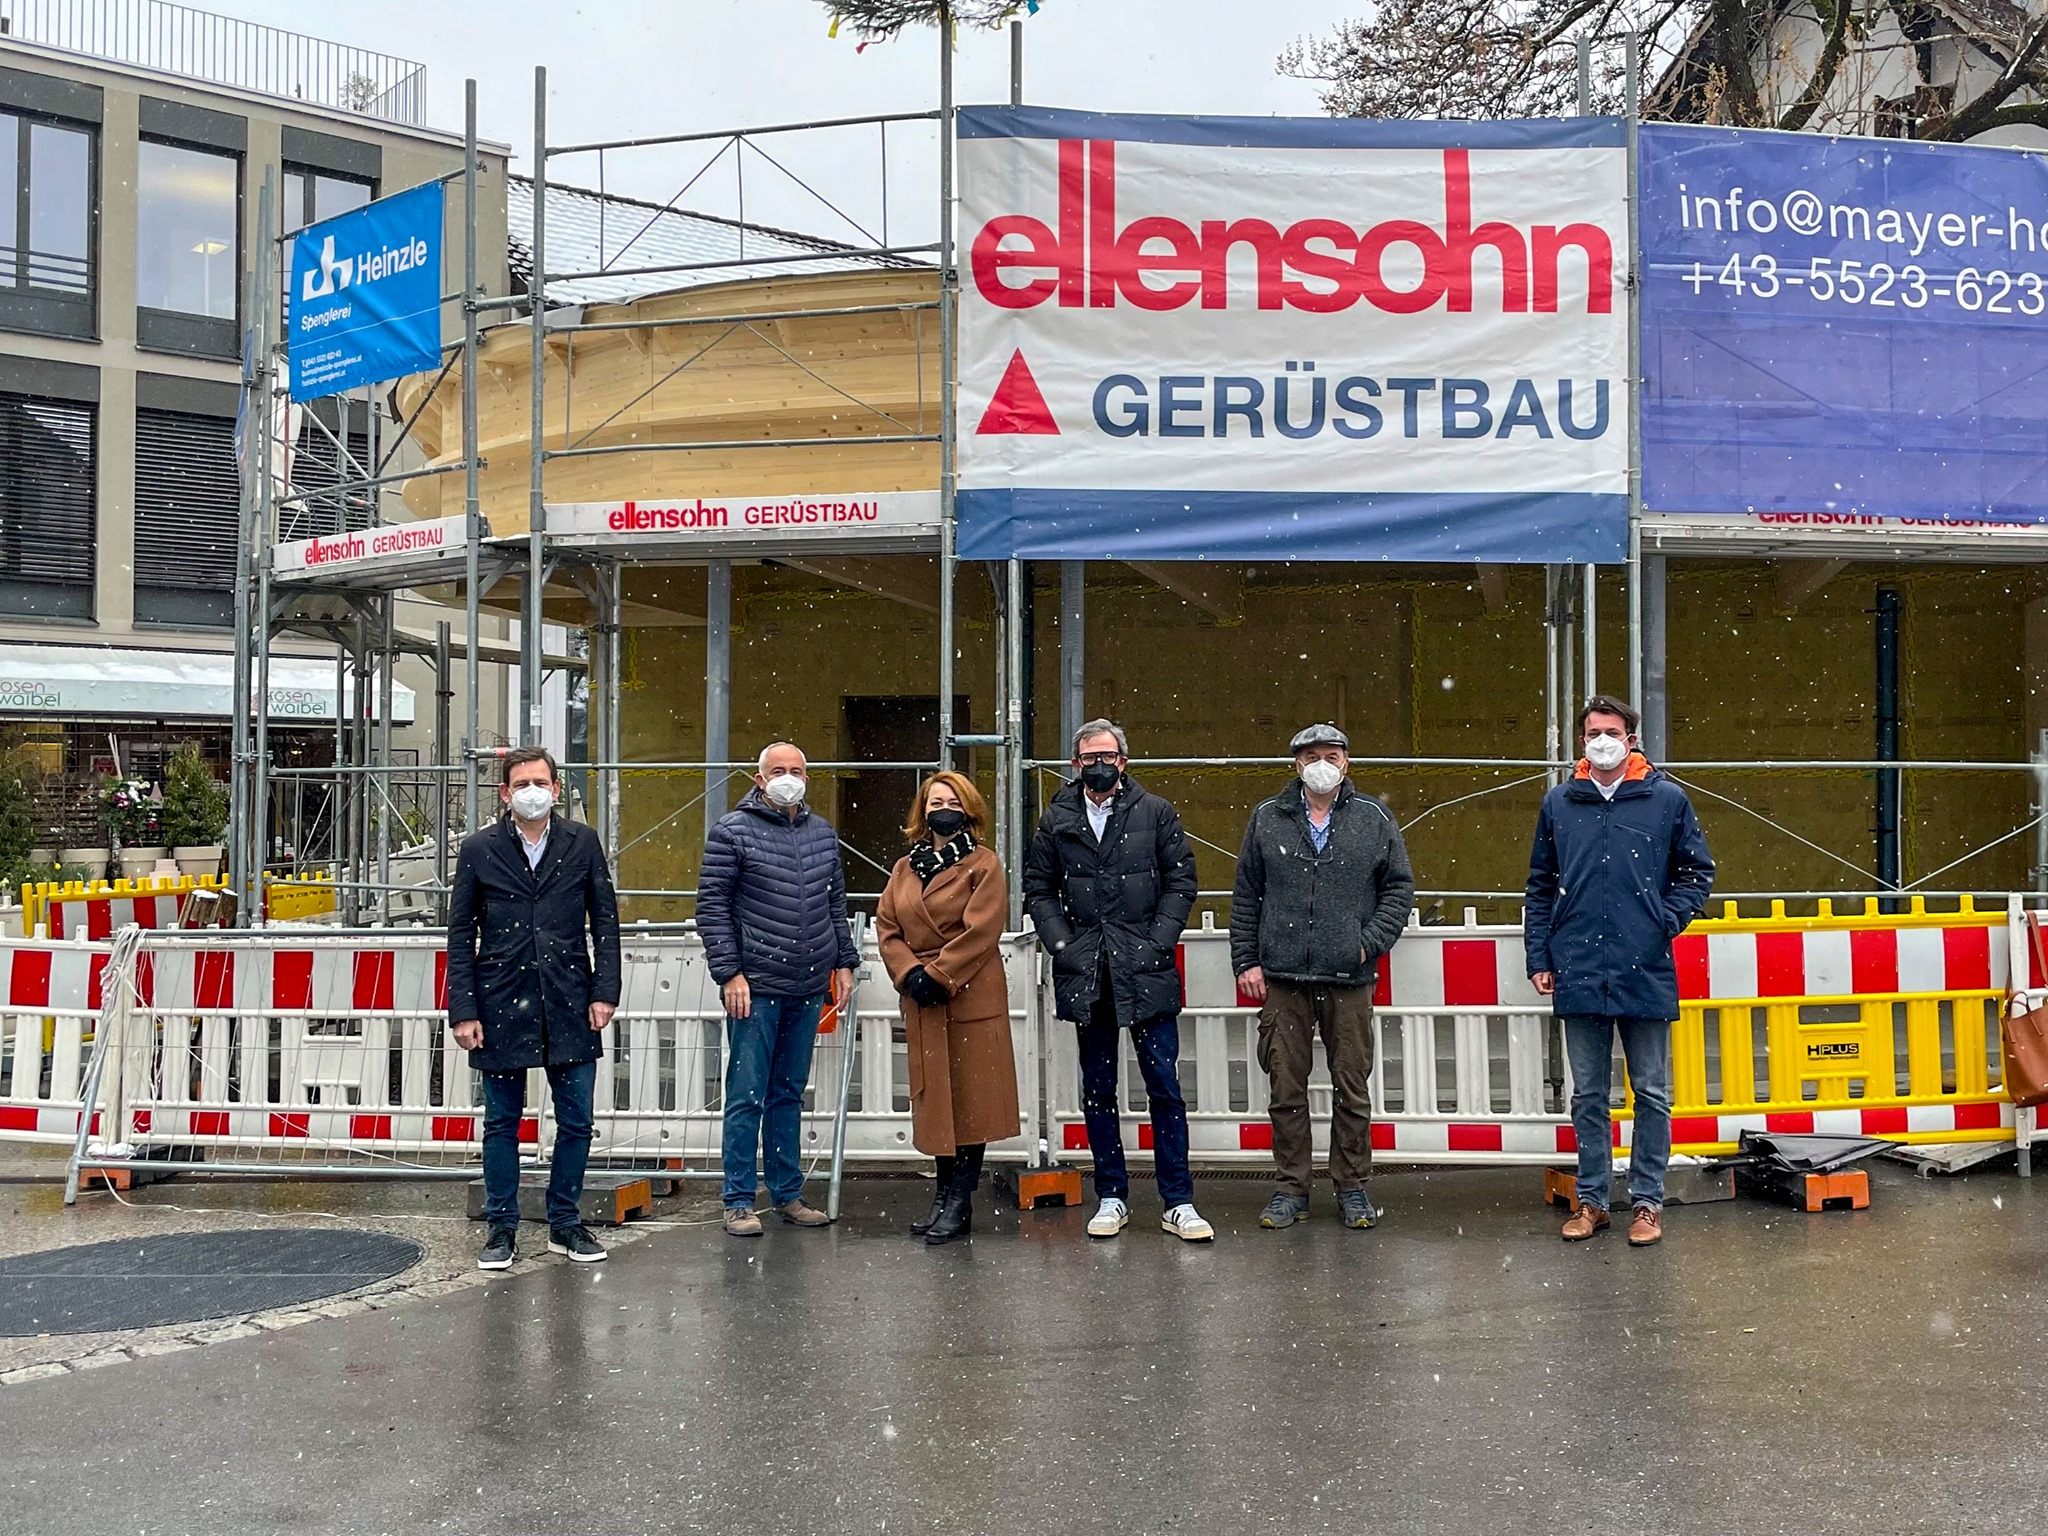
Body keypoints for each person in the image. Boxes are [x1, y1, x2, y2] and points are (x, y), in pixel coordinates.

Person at [1526, 695, 1714, 1248]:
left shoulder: (1666, 800)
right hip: (1579, 965)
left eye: (1611, 731)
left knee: (1651, 1092)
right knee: (1588, 1094)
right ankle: (1592, 1201)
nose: (1600, 740)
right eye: (1591, 732)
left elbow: (1696, 871)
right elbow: (1539, 885)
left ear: (1631, 738)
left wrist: (1666, 919)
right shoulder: (1560, 803)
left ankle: (1647, 1202)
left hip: (1644, 965)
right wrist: (1540, 956)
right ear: (1580, 741)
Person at [1023, 719, 1213, 1242]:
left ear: (1124, 761)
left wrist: (1156, 940)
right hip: (1091, 972)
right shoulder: (1057, 818)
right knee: (1099, 1090)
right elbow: (1038, 889)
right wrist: (1064, 943)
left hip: (1145, 969)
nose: (1099, 765)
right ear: (1075, 765)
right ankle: (1112, 1195)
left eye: (1107, 755)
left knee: (1165, 1088)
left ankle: (1178, 1201)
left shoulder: (1156, 812)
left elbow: (1181, 880)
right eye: (1088, 757)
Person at [1231, 724, 1415, 1232]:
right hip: (1284, 978)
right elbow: (1246, 895)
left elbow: (1399, 889)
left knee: (1351, 1086)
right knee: (1285, 1088)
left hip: (1349, 978)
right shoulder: (1269, 818)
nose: (1321, 764)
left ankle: (1353, 1186)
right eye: (1310, 756)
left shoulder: (1373, 819)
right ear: (1296, 765)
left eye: (1330, 755)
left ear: (1346, 762)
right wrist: (1246, 960)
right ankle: (1291, 1188)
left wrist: (1366, 941)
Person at [446, 746, 622, 1271]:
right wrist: (463, 1008)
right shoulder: (479, 849)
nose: (532, 791)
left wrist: (604, 991)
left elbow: (605, 924)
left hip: (569, 998)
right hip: (500, 1000)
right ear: (505, 792)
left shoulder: (582, 843)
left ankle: (565, 1223)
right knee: (501, 1122)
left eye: (540, 781)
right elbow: (460, 934)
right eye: (521, 782)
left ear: (556, 789)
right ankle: (502, 1227)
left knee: (576, 1122)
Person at [699, 741, 858, 1237]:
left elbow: (835, 903)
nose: (788, 777)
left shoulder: (821, 834)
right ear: (758, 778)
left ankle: (787, 1193)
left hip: (808, 985)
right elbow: (712, 907)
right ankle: (739, 1200)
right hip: (756, 986)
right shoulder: (732, 832)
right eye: (778, 770)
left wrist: (845, 961)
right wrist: (730, 973)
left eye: (797, 770)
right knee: (746, 1096)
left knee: (788, 1093)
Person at [876, 771, 1020, 1246]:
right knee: (936, 1100)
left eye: (952, 800)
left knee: (970, 1100)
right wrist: (908, 973)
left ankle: (960, 1199)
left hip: (968, 993)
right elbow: (887, 926)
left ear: (968, 809)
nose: (943, 807)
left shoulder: (985, 865)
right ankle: (942, 1195)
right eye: (935, 800)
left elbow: (982, 930)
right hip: (923, 999)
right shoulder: (904, 869)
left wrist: (938, 974)